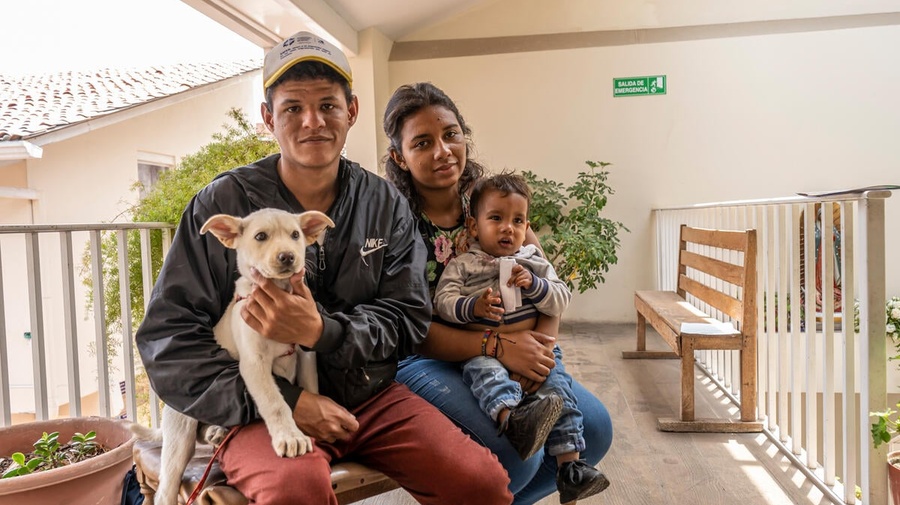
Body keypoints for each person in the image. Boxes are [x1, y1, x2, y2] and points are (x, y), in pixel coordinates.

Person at [135, 32, 512, 505]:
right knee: (296, 489)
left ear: (351, 111)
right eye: (293, 108)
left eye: (328, 105)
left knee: (482, 484)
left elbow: (408, 316)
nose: (312, 121)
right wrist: (290, 402)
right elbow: (168, 340)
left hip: (368, 396)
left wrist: (323, 331)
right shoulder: (223, 203)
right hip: (258, 406)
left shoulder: (383, 203)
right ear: (268, 118)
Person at [383, 81, 614, 505]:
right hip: (429, 356)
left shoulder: (491, 199)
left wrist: (540, 351)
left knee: (595, 430)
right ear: (400, 156)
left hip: (518, 345)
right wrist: (500, 347)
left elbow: (542, 269)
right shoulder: (395, 223)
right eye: (422, 142)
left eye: (451, 134)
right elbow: (410, 331)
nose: (443, 151)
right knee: (516, 453)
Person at [433, 172, 610, 503]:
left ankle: (571, 467)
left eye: (517, 221)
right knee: (486, 375)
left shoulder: (533, 261)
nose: (507, 228)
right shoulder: (464, 265)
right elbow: (443, 302)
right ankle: (512, 419)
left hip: (534, 348)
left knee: (557, 390)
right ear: (473, 227)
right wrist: (473, 306)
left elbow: (561, 298)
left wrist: (535, 285)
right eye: (496, 218)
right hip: (483, 351)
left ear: (527, 226)